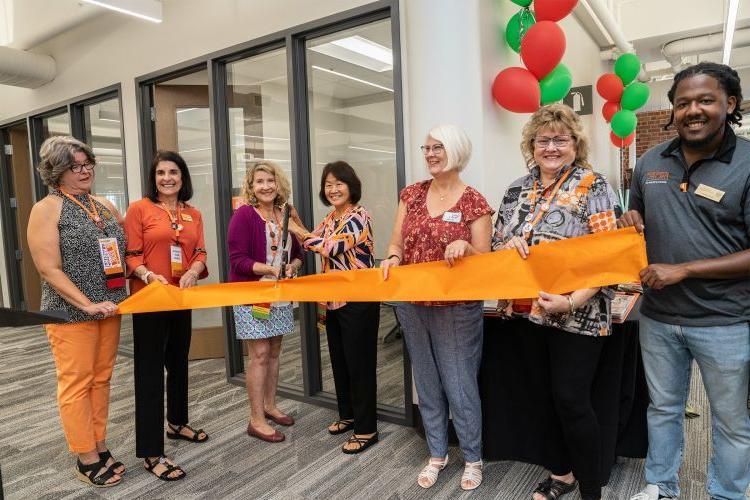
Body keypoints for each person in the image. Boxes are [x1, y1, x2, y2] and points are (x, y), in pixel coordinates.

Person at [619, 62, 750, 500]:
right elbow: (636, 222)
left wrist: (686, 269)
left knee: (730, 421)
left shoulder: (747, 163)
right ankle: (661, 486)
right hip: (658, 317)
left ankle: (727, 493)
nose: (693, 110)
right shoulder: (650, 161)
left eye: (705, 100)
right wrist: (630, 221)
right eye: (682, 103)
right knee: (663, 409)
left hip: (724, 320)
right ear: (672, 110)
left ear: (729, 104)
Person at [492, 104, 621, 500]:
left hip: (577, 317)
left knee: (572, 401)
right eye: (543, 140)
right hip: (528, 314)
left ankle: (591, 490)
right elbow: (498, 242)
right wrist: (507, 244)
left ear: (574, 144)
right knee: (543, 398)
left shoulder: (593, 185)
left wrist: (570, 301)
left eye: (560, 139)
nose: (551, 147)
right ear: (531, 144)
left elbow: (608, 255)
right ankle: (562, 475)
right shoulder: (516, 188)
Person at [380, 124, 493, 491]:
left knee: (459, 385)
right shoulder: (411, 194)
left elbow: (487, 262)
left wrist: (468, 250)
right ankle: (437, 453)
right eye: (426, 148)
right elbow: (396, 242)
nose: (429, 154)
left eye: (437, 147)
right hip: (412, 304)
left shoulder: (474, 201)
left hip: (456, 308)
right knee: (426, 382)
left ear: (456, 151)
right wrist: (393, 257)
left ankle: (473, 458)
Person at [27, 136, 126, 487]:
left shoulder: (101, 205)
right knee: (76, 383)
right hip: (71, 313)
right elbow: (48, 269)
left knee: (101, 379)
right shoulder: (47, 208)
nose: (85, 171)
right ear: (57, 171)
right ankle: (85, 457)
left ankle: (99, 443)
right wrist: (86, 304)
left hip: (109, 307)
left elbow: (122, 250)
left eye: (88, 164)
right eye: (76, 166)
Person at [124, 151, 209, 481]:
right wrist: (147, 276)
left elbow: (200, 250)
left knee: (178, 361)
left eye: (173, 172)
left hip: (180, 296)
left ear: (183, 177)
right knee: (149, 372)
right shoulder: (139, 209)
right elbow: (131, 255)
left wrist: (195, 269)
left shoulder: (193, 214)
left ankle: (177, 422)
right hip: (149, 299)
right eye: (161, 173)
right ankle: (151, 451)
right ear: (154, 178)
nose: (167, 178)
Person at [286, 161, 380, 454]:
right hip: (333, 300)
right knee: (339, 359)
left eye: (339, 183)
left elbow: (328, 247)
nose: (333, 189)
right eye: (328, 184)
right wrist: (299, 239)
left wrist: (297, 229)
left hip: (359, 300)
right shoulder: (330, 218)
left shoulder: (359, 217)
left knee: (359, 363)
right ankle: (348, 415)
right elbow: (311, 241)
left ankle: (367, 429)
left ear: (351, 186)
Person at [227, 161, 304, 443]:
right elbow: (238, 260)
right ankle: (256, 419)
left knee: (273, 352)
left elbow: (299, 252)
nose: (266, 186)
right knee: (258, 355)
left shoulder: (285, 215)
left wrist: (293, 266)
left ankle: (270, 406)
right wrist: (271, 269)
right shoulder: (245, 215)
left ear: (278, 184)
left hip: (279, 297)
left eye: (270, 180)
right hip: (252, 296)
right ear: (251, 186)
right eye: (259, 181)